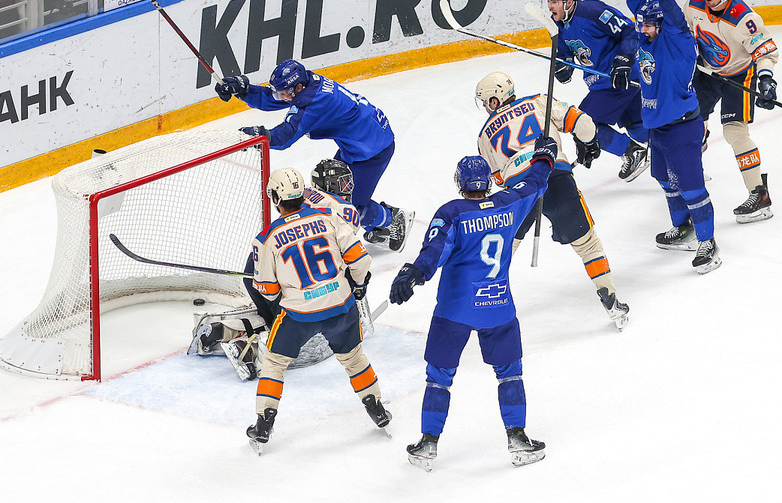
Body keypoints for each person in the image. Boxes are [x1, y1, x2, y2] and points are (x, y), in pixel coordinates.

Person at [389, 143, 556, 471]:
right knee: (510, 373)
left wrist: (414, 274)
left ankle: (428, 444)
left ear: (460, 182)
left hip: (456, 308)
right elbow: (535, 181)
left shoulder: (452, 212)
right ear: (488, 181)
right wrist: (545, 157)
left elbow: (434, 251)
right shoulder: (509, 202)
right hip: (497, 305)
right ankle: (518, 439)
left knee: (439, 376)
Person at [244, 167, 390, 452]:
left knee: (274, 363)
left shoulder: (266, 238)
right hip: (341, 306)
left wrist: (288, 288)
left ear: (275, 198)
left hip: (299, 316)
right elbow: (360, 261)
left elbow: (268, 290)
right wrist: (358, 286)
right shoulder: (329, 217)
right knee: (354, 358)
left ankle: (264, 423)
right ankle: (377, 408)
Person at [475, 71, 629, 330]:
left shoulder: (484, 135)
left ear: (494, 100)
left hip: (519, 189)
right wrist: (588, 143)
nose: (485, 107)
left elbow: (498, 178)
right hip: (555, 174)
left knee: (505, 248)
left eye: (485, 101)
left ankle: (483, 305)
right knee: (587, 244)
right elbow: (584, 124)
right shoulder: (538, 102)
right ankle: (610, 299)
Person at [188, 159, 362, 381]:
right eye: (344, 183)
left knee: (272, 305)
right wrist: (357, 286)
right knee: (307, 325)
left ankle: (226, 329)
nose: (348, 188)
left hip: (266, 257)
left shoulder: (300, 192)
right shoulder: (345, 210)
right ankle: (252, 349)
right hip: (299, 274)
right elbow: (347, 258)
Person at [215, 59, 413, 252]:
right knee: (332, 196)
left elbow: (285, 136)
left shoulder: (313, 102)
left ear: (298, 88)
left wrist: (258, 136)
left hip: (372, 152)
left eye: (285, 93)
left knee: (346, 208)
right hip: (359, 143)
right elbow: (273, 98)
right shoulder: (307, 84)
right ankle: (379, 225)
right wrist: (244, 91)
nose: (282, 97)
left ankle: (392, 219)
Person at [620, 0, 721, 274]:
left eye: (649, 25)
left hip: (682, 127)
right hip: (658, 129)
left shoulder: (679, 43)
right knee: (665, 179)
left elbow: (675, 18)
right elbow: (637, 4)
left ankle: (708, 242)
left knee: (691, 186)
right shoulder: (646, 36)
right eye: (642, 24)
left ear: (661, 27)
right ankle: (684, 228)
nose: (643, 29)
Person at [683, 0, 777, 223]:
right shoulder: (694, 3)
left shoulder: (744, 18)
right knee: (690, 124)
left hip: (739, 73)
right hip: (706, 71)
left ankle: (759, 194)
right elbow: (682, 32)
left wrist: (766, 80)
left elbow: (765, 51)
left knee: (735, 132)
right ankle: (693, 172)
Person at [544, 0, 650, 182]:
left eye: (554, 1)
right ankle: (676, 147)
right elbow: (566, 55)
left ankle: (632, 152)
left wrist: (624, 58)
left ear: (569, 2)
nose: (550, 6)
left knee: (583, 122)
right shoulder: (558, 24)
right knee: (637, 126)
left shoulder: (593, 11)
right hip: (603, 83)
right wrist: (562, 67)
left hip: (619, 78)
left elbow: (629, 31)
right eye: (549, 1)